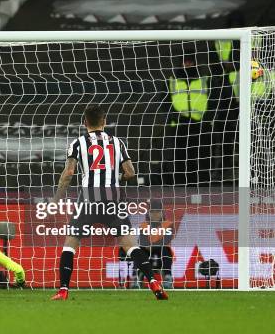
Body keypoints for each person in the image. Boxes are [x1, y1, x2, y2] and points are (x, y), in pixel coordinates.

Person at [51, 105, 168, 301]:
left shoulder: (78, 143)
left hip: (89, 198)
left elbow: (69, 173)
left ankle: (63, 290)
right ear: (104, 122)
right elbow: (130, 172)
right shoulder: (117, 142)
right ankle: (154, 281)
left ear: (85, 123)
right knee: (130, 246)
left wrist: (57, 198)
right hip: (113, 197)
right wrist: (114, 177)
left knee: (70, 244)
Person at [164, 51, 213, 186]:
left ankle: (202, 186)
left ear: (195, 63)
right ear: (181, 63)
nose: (188, 64)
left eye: (190, 61)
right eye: (186, 61)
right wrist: (174, 117)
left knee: (201, 157)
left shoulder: (204, 80)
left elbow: (213, 100)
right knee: (180, 157)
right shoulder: (171, 80)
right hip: (179, 125)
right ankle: (182, 187)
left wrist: (208, 118)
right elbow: (164, 103)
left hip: (200, 125)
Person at [137, 200, 174, 289]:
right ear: (148, 213)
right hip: (147, 250)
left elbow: (166, 240)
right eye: (152, 212)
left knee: (165, 249)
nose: (155, 214)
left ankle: (167, 277)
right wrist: (148, 246)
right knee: (139, 251)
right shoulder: (143, 225)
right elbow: (141, 240)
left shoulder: (168, 224)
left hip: (162, 251)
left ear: (162, 213)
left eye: (157, 211)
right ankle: (136, 278)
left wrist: (151, 245)